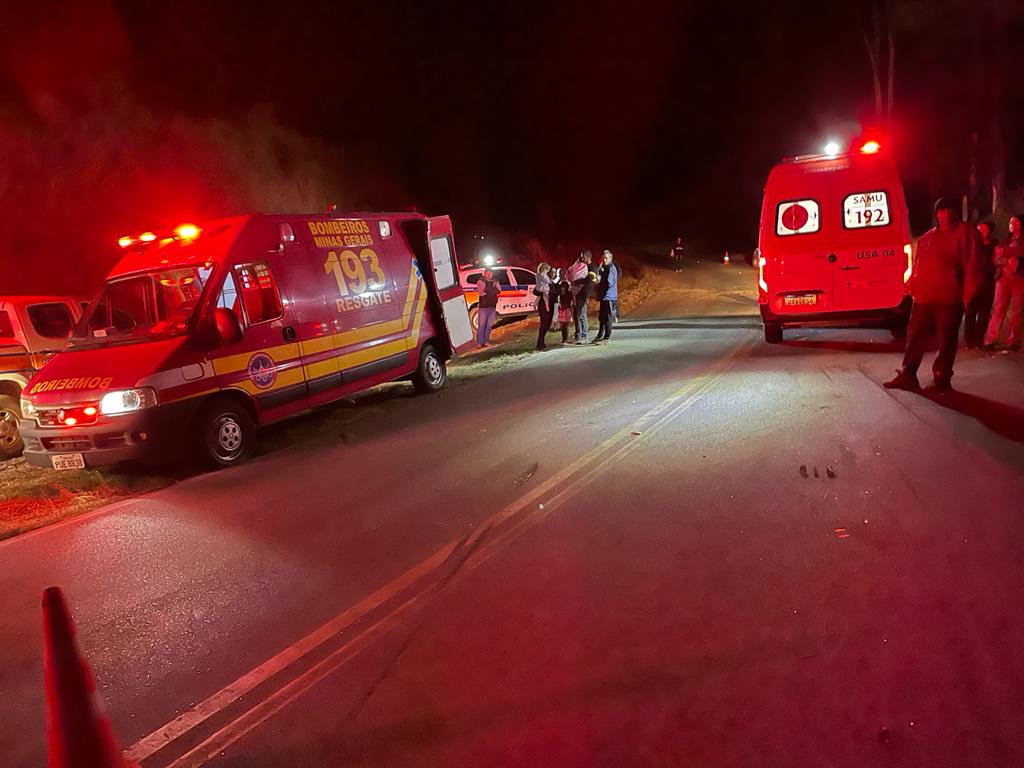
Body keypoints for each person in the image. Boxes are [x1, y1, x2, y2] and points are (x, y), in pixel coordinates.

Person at [884, 196, 983, 392]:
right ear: (936, 214)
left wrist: (969, 295)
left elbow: (974, 266)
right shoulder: (927, 238)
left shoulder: (966, 234)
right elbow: (920, 266)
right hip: (923, 297)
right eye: (940, 210)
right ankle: (908, 374)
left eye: (947, 210)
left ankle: (942, 377)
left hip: (949, 298)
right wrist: (912, 284)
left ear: (954, 212)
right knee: (915, 337)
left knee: (946, 339)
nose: (944, 214)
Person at [983, 213, 1024, 351]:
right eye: (1011, 222)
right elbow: (996, 258)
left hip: (1019, 279)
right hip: (1003, 278)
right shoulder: (1006, 241)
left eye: (1016, 222)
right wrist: (1008, 258)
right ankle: (990, 339)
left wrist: (1008, 255)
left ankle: (1013, 340)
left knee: (1015, 311)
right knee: (998, 308)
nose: (1012, 225)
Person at [964, 221, 998, 348]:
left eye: (984, 229)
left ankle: (978, 340)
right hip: (974, 281)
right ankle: (969, 341)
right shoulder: (972, 244)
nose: (981, 232)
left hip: (988, 281)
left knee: (984, 313)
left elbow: (997, 259)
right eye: (979, 229)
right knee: (970, 312)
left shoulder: (994, 244)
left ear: (989, 231)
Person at [593, 249, 619, 344]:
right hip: (604, 297)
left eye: (606, 258)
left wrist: (600, 281)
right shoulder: (603, 267)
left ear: (610, 257)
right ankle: (600, 335)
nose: (604, 260)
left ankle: (607, 337)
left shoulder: (611, 268)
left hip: (609, 297)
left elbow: (609, 283)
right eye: (603, 258)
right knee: (602, 317)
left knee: (607, 318)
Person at [475, 268, 501, 348]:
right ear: (484, 273)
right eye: (488, 273)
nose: (489, 274)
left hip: (492, 306)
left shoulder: (495, 281)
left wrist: (489, 290)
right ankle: (479, 343)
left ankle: (486, 341)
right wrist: (493, 289)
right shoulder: (480, 281)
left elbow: (499, 290)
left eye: (491, 273)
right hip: (484, 307)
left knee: (489, 326)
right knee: (481, 325)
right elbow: (482, 292)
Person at [574, 269, 597, 343]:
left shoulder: (590, 280)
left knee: (582, 316)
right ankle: (582, 335)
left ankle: (585, 336)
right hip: (582, 298)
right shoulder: (591, 282)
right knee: (581, 315)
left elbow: (580, 281)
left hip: (582, 299)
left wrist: (575, 282)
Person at [534, 262, 553, 350]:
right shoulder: (544, 276)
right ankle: (540, 343)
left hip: (541, 291)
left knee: (545, 324)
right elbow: (548, 282)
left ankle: (541, 342)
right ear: (545, 269)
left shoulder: (538, 275)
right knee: (544, 323)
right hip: (544, 294)